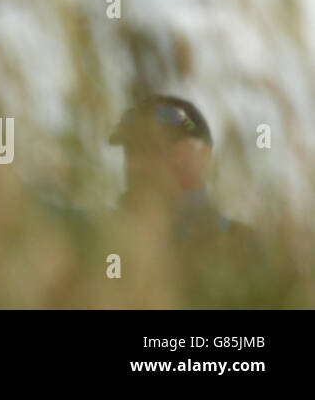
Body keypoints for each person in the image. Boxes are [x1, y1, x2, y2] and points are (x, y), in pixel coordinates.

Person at [107, 95, 264, 304]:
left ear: (204, 156)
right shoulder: (103, 241)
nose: (141, 163)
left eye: (157, 146)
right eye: (133, 150)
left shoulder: (240, 246)